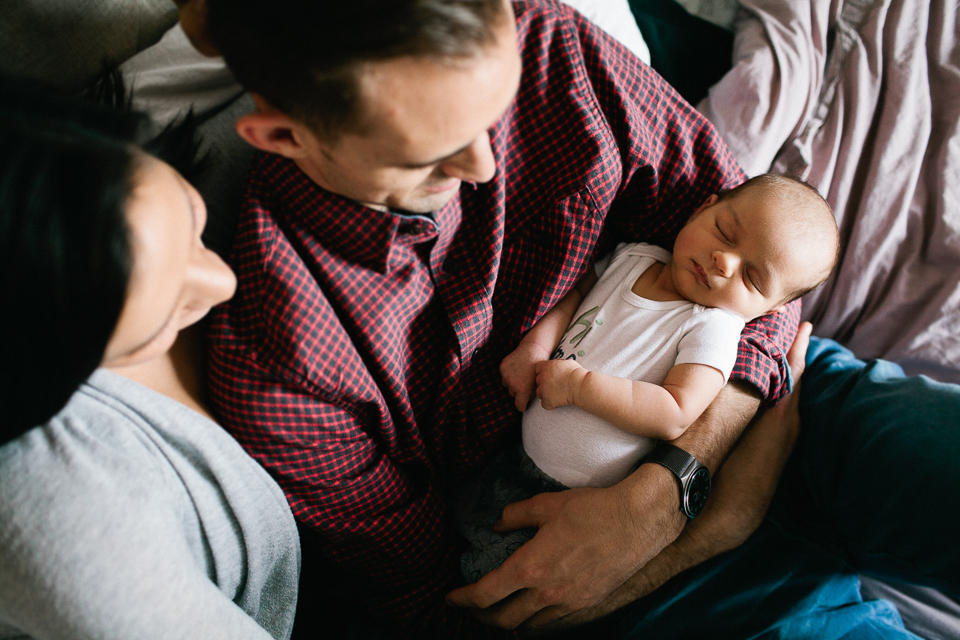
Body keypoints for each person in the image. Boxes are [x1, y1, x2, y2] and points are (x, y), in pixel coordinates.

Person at [184, 0, 802, 636]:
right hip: (578, 566)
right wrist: (714, 531)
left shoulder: (544, 43)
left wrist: (674, 490)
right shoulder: (283, 366)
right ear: (285, 137)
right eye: (433, 155)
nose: (484, 167)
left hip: (742, 384)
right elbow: (449, 606)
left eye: (493, 114)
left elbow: (775, 250)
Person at [0, 77, 299, 640]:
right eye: (161, 320)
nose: (222, 282)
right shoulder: (66, 523)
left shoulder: (114, 134)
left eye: (191, 217)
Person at [459, 173, 839, 581]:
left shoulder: (713, 330)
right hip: (514, 449)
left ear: (768, 313)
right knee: (458, 519)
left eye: (752, 278)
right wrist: (533, 349)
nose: (724, 262)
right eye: (724, 232)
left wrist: (580, 387)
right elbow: (573, 295)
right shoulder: (633, 257)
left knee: (491, 577)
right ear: (701, 208)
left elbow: (675, 412)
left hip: (576, 499)